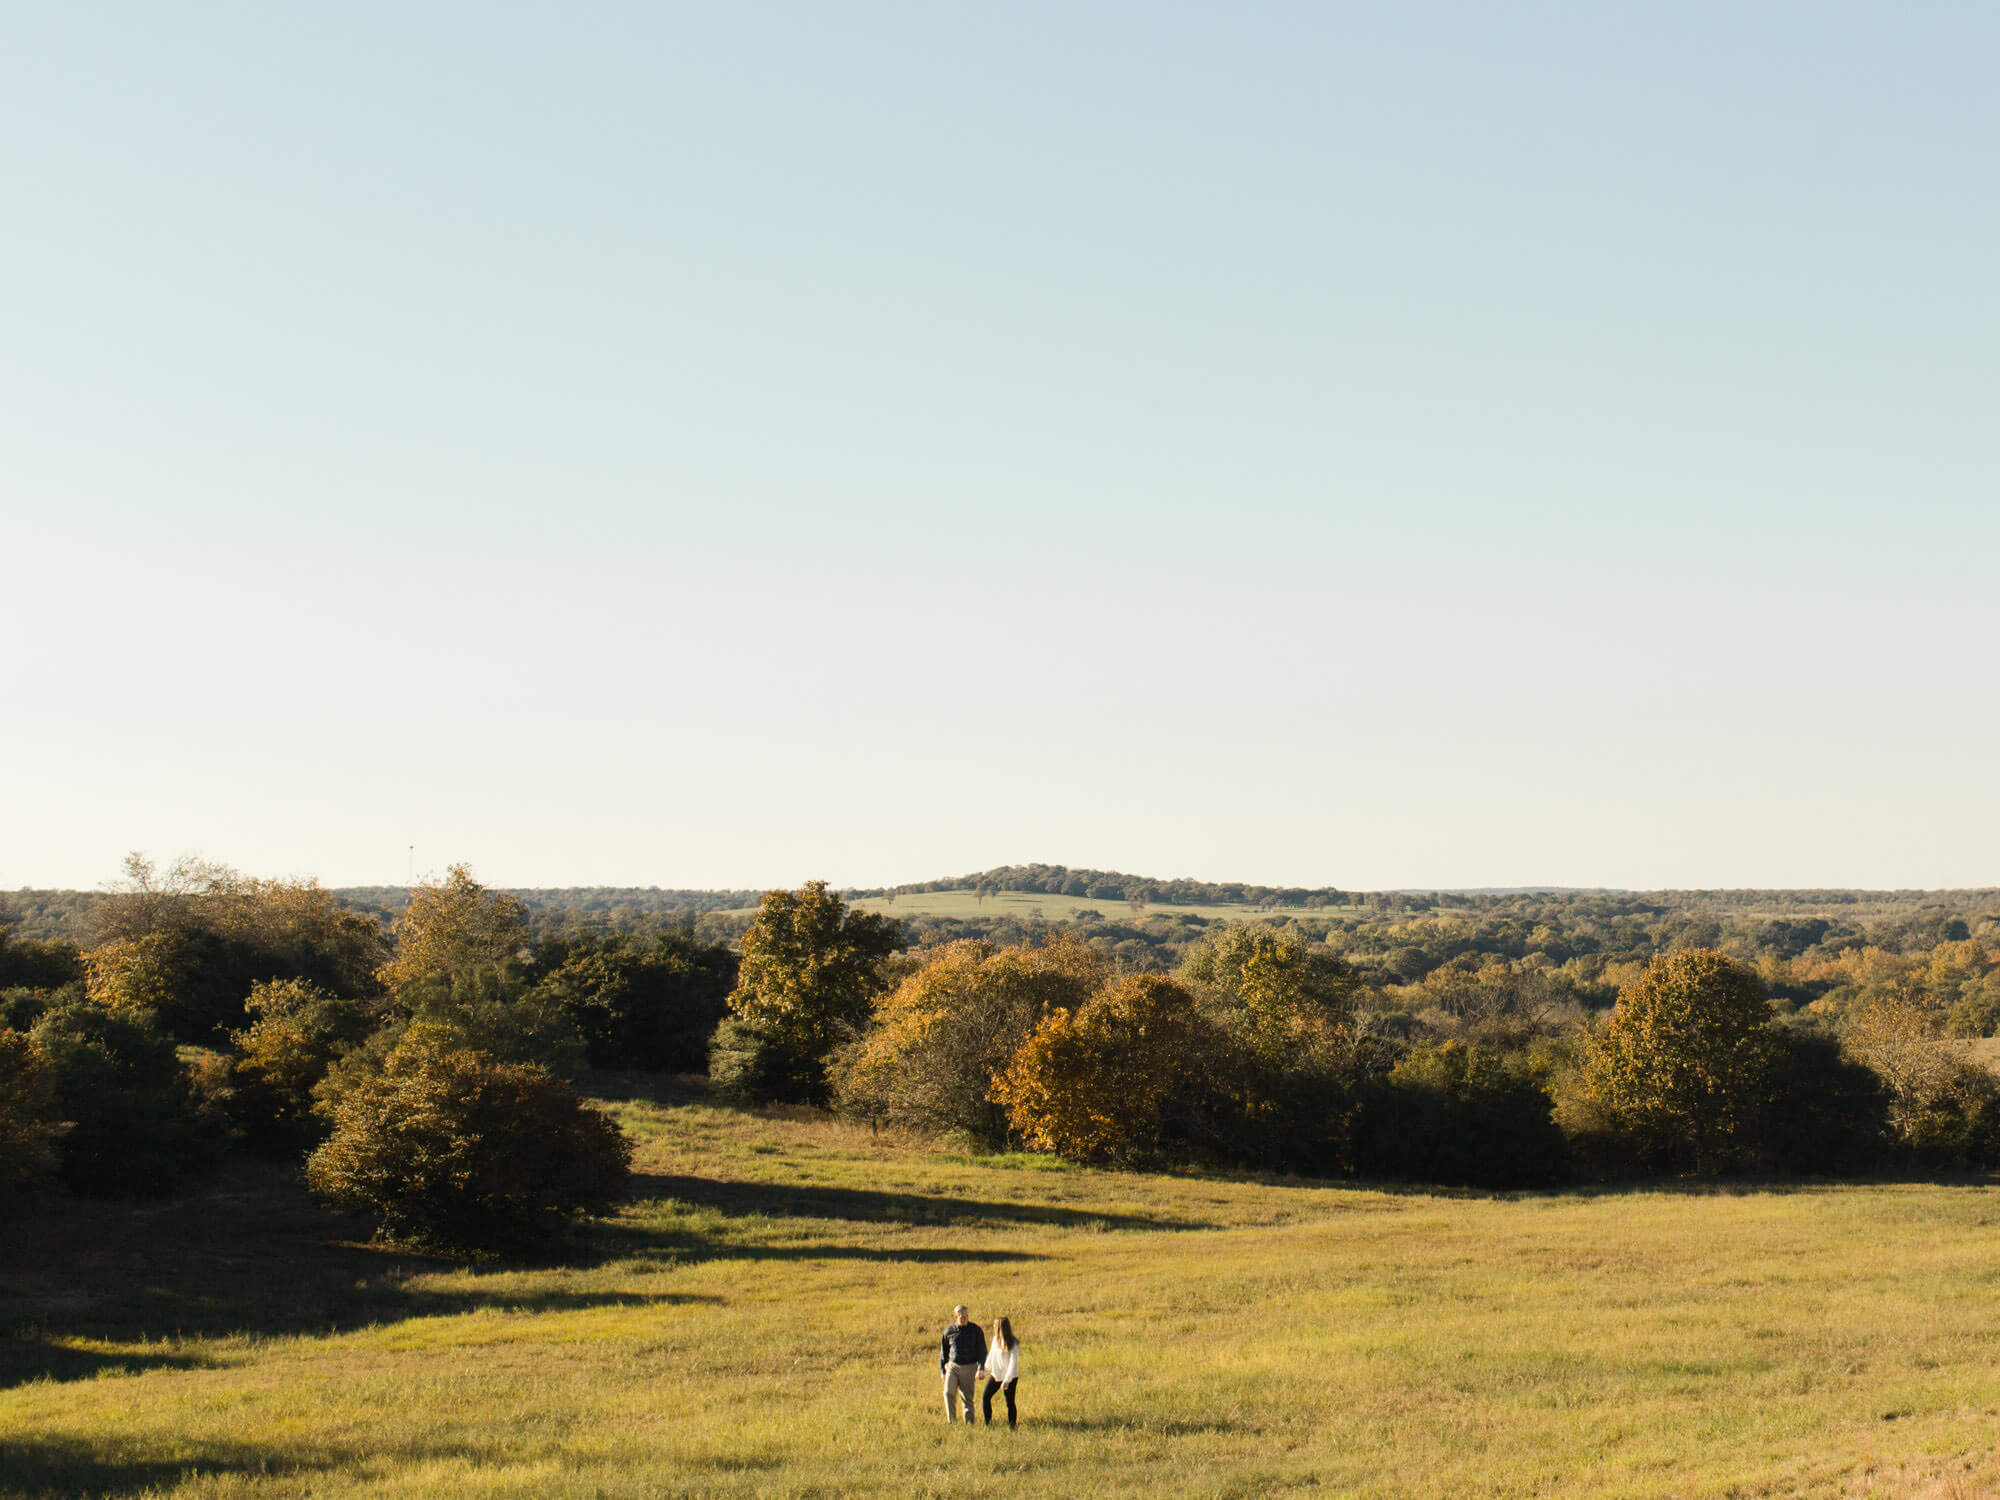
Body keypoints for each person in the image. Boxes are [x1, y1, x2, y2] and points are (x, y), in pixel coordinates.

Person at [939, 1304, 987, 1424]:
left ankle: (969, 1423)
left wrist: (981, 1368)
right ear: (955, 1316)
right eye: (960, 1315)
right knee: (948, 1392)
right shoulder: (949, 1331)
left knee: (967, 1398)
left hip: (969, 1367)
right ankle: (952, 1422)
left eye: (966, 1315)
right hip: (953, 1366)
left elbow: (982, 1350)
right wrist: (942, 1371)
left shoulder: (975, 1330)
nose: (963, 1317)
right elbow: (943, 1353)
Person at [980, 1315, 1020, 1429]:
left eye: (994, 1325)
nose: (993, 1327)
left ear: (1000, 1327)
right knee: (985, 1397)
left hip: (1010, 1377)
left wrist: (1007, 1380)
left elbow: (1013, 1363)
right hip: (996, 1375)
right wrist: (984, 1370)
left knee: (1010, 1403)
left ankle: (1012, 1426)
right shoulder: (995, 1339)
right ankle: (988, 1423)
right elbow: (991, 1356)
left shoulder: (1012, 1343)